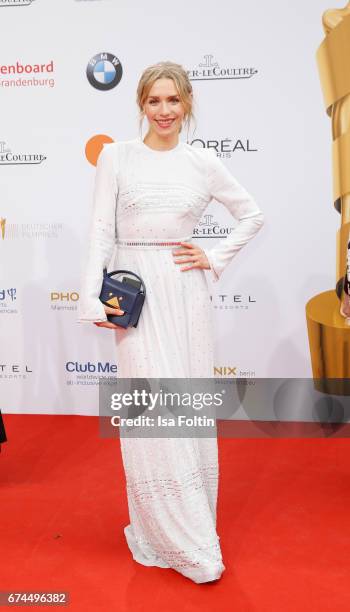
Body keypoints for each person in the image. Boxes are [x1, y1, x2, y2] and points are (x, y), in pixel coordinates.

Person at [77, 61, 264, 583]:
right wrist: (94, 299)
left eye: (173, 101)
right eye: (154, 101)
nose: (164, 111)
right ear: (141, 104)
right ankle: (166, 532)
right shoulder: (116, 157)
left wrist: (214, 255)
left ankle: (194, 529)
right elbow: (99, 233)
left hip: (184, 293)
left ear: (187, 105)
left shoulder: (203, 163)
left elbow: (252, 214)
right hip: (136, 294)